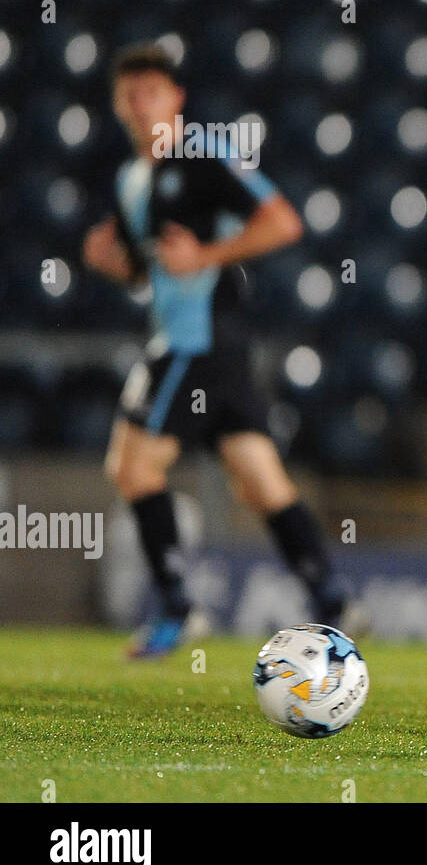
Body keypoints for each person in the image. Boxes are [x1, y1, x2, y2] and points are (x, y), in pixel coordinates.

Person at [83, 43, 354, 658]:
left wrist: (203, 256)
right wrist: (115, 265)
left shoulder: (203, 160)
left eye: (151, 92)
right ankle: (333, 597)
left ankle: (178, 607)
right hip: (217, 351)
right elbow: (148, 270)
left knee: (131, 467)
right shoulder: (131, 180)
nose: (138, 106)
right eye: (128, 95)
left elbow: (283, 222)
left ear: (176, 99)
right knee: (260, 480)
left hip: (192, 343)